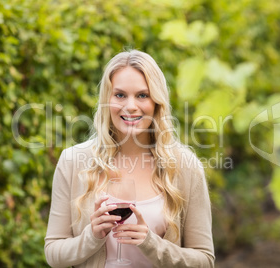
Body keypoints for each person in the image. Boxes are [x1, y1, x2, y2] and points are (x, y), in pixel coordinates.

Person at [44, 49, 215, 267]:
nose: (131, 106)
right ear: (107, 99)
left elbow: (205, 260)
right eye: (120, 95)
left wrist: (150, 243)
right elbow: (53, 253)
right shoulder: (72, 161)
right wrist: (92, 237)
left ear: (156, 102)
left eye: (142, 95)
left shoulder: (186, 167)